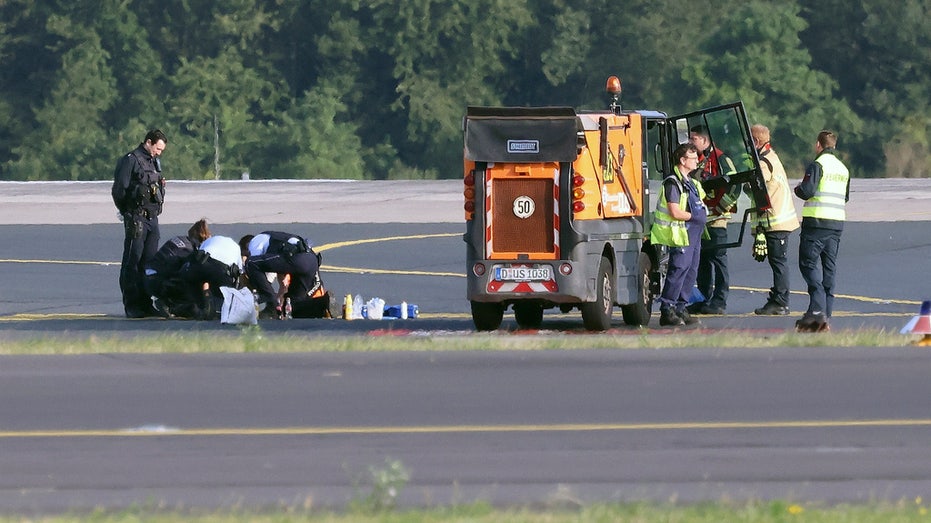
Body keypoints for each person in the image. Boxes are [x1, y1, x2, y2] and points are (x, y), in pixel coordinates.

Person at [794, 130, 850, 332]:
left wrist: (798, 189)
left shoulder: (818, 165)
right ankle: (824, 314)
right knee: (829, 269)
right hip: (836, 224)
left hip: (817, 223)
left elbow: (807, 191)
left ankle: (817, 308)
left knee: (808, 264)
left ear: (819, 144)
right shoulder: (843, 169)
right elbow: (845, 197)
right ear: (833, 145)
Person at [111, 129, 168, 318]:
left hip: (152, 219)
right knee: (132, 263)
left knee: (149, 263)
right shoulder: (130, 160)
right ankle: (132, 305)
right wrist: (128, 213)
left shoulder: (153, 162)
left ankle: (145, 303)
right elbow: (119, 190)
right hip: (137, 218)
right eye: (158, 148)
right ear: (149, 142)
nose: (159, 152)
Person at [651, 143, 708, 326]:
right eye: (693, 158)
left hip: (695, 234)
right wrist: (694, 216)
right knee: (678, 270)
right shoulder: (672, 183)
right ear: (683, 161)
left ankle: (681, 308)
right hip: (681, 233)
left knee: (691, 271)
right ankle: (667, 309)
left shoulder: (692, 183)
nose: (697, 161)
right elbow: (674, 211)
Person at [687, 125, 739, 315]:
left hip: (717, 221)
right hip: (700, 221)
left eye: (694, 139)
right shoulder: (696, 161)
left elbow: (735, 186)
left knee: (719, 260)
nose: (691, 143)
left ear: (704, 140)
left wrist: (720, 207)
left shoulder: (722, 159)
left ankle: (719, 301)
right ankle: (703, 299)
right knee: (702, 262)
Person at [750, 125, 800, 316]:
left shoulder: (764, 162)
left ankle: (780, 301)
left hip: (775, 222)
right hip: (778, 221)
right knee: (778, 262)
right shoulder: (772, 157)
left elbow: (758, 189)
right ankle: (779, 298)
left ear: (756, 142)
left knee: (778, 262)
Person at [239, 231, 321, 319]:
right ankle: (323, 305)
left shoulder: (255, 241)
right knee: (293, 305)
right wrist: (280, 292)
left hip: (296, 258)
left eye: (244, 254)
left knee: (251, 263)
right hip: (312, 261)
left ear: (246, 247)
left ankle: (271, 304)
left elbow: (257, 269)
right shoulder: (276, 240)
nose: (245, 256)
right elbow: (279, 277)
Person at [144, 218, 212, 318]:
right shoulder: (189, 250)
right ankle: (170, 306)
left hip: (149, 277)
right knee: (192, 283)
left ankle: (166, 300)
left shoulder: (180, 240)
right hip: (159, 281)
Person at [178, 234, 244, 320]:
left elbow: (198, 255)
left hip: (198, 264)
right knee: (223, 291)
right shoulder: (236, 248)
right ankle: (218, 309)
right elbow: (238, 274)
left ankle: (199, 307)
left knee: (191, 280)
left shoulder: (208, 241)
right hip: (220, 270)